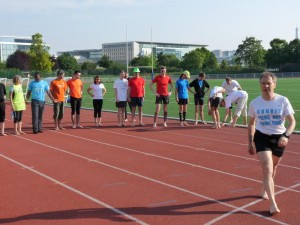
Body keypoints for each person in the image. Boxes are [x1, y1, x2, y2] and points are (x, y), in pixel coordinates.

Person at [248, 72, 296, 215]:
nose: (266, 86)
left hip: (279, 138)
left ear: (274, 84)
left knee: (273, 167)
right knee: (267, 167)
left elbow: (292, 121)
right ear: (260, 85)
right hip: (261, 137)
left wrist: (286, 135)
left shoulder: (282, 100)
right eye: (263, 83)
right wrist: (250, 142)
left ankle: (264, 187)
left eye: (269, 83)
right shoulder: (255, 103)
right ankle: (273, 204)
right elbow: (251, 123)